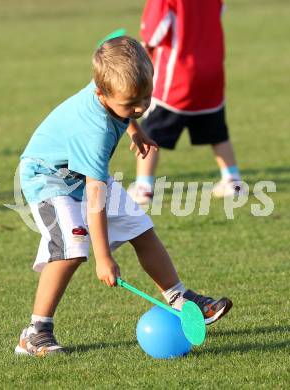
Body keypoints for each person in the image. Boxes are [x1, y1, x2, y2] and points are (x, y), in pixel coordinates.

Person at [15, 36, 232, 356]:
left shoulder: (115, 81)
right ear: (101, 94)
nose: (142, 107)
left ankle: (179, 298)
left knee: (141, 229)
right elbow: (95, 198)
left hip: (82, 172)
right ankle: (35, 332)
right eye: (131, 104)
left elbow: (121, 73)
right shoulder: (95, 131)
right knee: (72, 249)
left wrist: (135, 128)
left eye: (146, 97)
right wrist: (103, 256)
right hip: (49, 177)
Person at [128, 0, 243, 205]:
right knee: (217, 131)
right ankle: (232, 179)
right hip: (212, 72)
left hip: (177, 75)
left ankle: (144, 187)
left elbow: (153, 33)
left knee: (151, 132)